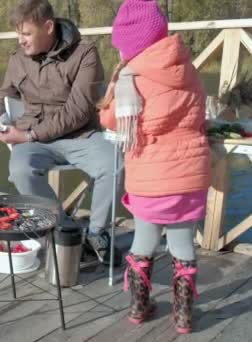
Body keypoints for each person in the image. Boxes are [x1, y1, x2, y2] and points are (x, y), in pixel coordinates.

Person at [0, 0, 121, 267]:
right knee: (21, 170)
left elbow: (78, 112)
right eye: (18, 34)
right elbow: (6, 93)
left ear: (48, 27)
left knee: (114, 164)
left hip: (79, 135)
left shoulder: (85, 53)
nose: (21, 41)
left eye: (27, 33)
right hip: (32, 139)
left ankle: (96, 233)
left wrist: (29, 135)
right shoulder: (18, 59)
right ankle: (65, 228)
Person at [98, 0, 211, 334]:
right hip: (190, 177)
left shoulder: (130, 79)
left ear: (128, 46)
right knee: (183, 246)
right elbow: (200, 112)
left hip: (149, 179)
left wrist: (112, 86)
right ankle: (183, 317)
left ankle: (138, 306)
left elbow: (111, 120)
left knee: (143, 242)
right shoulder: (187, 69)